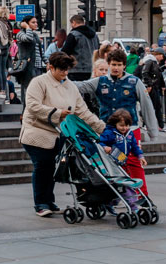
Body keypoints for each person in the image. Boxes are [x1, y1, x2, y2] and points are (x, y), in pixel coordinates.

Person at [20, 51, 104, 217]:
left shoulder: (70, 86)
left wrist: (101, 128)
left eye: (67, 70)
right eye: (61, 70)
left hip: (57, 134)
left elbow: (83, 111)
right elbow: (33, 106)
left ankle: (49, 201)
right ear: (51, 67)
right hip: (36, 132)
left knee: (51, 167)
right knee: (42, 166)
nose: (65, 73)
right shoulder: (39, 82)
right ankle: (41, 203)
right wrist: (58, 113)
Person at [99, 108, 147, 200]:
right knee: (122, 184)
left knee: (125, 183)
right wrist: (105, 147)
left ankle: (116, 201)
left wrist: (140, 156)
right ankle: (131, 203)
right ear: (115, 124)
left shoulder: (129, 134)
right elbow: (100, 142)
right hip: (112, 161)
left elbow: (134, 146)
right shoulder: (110, 133)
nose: (124, 128)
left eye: (127, 125)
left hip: (122, 160)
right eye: (121, 125)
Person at [13, 17, 45, 105]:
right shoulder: (20, 34)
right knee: (27, 89)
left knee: (37, 89)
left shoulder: (34, 35)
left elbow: (40, 51)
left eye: (36, 22)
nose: (36, 24)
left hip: (38, 66)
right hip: (27, 66)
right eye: (33, 22)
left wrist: (46, 62)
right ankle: (26, 110)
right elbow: (28, 38)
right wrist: (27, 27)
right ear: (26, 23)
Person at [135, 48, 166, 133]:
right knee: (152, 107)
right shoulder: (150, 61)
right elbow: (145, 73)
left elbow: (157, 74)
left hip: (154, 87)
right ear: (157, 54)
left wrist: (162, 85)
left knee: (156, 106)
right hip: (151, 88)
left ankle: (159, 125)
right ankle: (151, 125)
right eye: (161, 55)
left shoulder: (153, 62)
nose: (162, 57)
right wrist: (149, 85)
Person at [60, 15, 98, 81]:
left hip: (76, 70)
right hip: (91, 69)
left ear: (74, 22)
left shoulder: (74, 34)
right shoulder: (94, 35)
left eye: (71, 23)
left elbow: (65, 52)